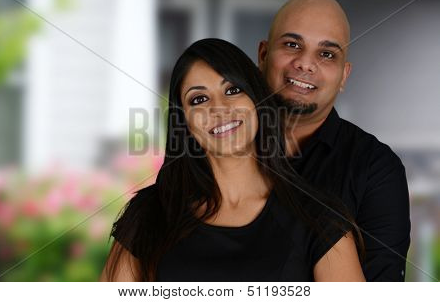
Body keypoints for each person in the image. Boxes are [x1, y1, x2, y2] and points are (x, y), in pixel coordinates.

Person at [100, 38, 365, 281]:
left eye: (232, 90)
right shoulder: (148, 214)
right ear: (184, 122)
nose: (220, 109)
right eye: (199, 99)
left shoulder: (319, 219)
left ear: (257, 101)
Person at [257, 0, 410, 281]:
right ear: (263, 56)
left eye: (326, 54)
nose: (305, 64)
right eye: (292, 44)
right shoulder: (216, 146)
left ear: (343, 77)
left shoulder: (377, 170)